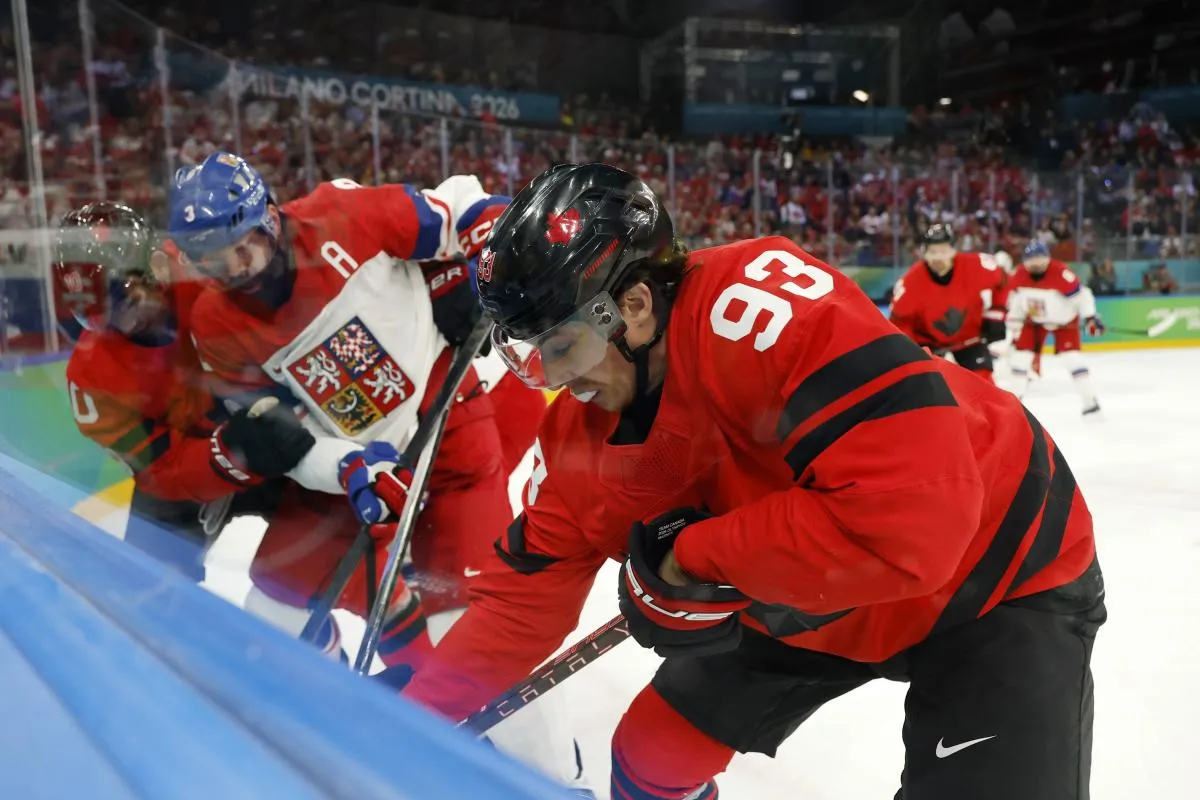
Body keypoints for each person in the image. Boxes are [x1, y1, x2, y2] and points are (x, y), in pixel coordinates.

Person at [401, 163, 1105, 800]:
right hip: (806, 591)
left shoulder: (755, 309)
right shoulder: (578, 440)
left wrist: (692, 561)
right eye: (532, 354)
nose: (554, 377)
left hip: (997, 566)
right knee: (651, 762)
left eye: (562, 345)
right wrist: (407, 719)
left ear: (635, 306)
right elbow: (520, 603)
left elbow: (912, 524)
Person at [170, 152, 589, 793]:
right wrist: (346, 469)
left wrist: (483, 258)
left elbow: (461, 210)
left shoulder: (343, 215)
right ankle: (316, 724)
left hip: (449, 439)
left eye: (240, 246)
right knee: (271, 611)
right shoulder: (215, 324)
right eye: (211, 260)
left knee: (479, 631)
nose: (232, 269)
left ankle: (557, 780)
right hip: (350, 478)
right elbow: (282, 437)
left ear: (269, 218)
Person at [53, 202, 308, 588]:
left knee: (332, 544)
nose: (125, 322)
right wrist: (228, 455)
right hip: (194, 459)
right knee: (146, 591)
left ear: (155, 263)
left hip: (276, 419)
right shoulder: (90, 380)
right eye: (102, 314)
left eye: (127, 297)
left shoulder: (209, 263)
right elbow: (160, 468)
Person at [889, 224, 1009, 381]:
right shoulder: (910, 282)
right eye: (932, 252)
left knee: (983, 384)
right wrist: (911, 350)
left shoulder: (975, 265)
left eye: (943, 251)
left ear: (953, 250)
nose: (938, 258)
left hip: (969, 339)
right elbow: (899, 321)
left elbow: (1003, 279)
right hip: (928, 343)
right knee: (926, 388)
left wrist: (996, 314)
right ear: (924, 253)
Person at [1007, 241, 1105, 415]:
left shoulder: (1061, 273)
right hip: (1034, 322)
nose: (1036, 263)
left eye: (1040, 258)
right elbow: (1015, 300)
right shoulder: (1018, 275)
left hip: (1064, 322)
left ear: (1048, 258)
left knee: (1072, 359)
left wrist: (1090, 317)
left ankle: (1090, 401)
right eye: (1031, 259)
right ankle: (1014, 403)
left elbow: (1082, 296)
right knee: (1020, 359)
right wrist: (1014, 321)